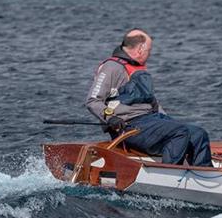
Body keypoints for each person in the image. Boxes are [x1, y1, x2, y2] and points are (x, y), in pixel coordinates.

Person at [85, 28, 212, 167]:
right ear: (140, 49)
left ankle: (204, 174)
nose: (149, 55)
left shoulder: (137, 69)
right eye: (148, 51)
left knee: (199, 134)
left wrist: (170, 122)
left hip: (150, 121)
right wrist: (111, 117)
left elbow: (153, 103)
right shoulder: (111, 67)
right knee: (179, 132)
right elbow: (93, 101)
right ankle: (169, 177)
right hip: (129, 126)